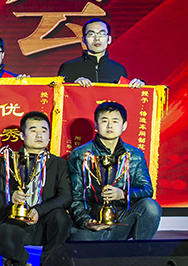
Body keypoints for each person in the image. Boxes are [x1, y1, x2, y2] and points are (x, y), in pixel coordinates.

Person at [66, 101, 161, 241]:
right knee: (81, 239)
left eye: (115, 121)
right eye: (104, 121)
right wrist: (86, 220)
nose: (110, 126)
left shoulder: (134, 154)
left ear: (124, 125)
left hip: (122, 218)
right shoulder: (80, 155)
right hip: (93, 219)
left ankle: (140, 251)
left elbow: (146, 189)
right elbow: (74, 195)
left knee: (151, 207)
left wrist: (123, 194)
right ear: (96, 125)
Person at [0, 111, 73, 266]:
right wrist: (10, 196)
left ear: (49, 136)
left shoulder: (59, 164)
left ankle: (48, 264)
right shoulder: (7, 161)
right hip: (15, 221)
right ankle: (18, 260)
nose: (39, 135)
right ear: (22, 135)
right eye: (33, 130)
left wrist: (39, 210)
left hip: (46, 220)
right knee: (4, 238)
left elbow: (65, 196)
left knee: (62, 218)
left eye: (44, 131)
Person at [56, 19, 145, 87]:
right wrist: (73, 85)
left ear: (109, 39)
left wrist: (137, 86)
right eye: (91, 34)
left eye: (101, 34)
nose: (97, 38)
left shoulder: (119, 69)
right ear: (83, 40)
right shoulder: (68, 67)